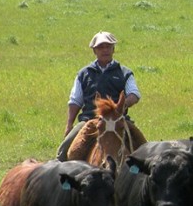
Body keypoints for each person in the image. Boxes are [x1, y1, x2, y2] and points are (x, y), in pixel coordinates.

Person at [56, 31, 141, 161]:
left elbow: (134, 94)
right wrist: (69, 124)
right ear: (94, 51)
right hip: (90, 120)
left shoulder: (125, 72)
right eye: (101, 47)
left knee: (144, 150)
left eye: (108, 46)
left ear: (113, 49)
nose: (105, 50)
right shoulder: (84, 73)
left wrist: (122, 106)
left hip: (119, 120)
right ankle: (61, 176)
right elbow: (75, 101)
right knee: (64, 150)